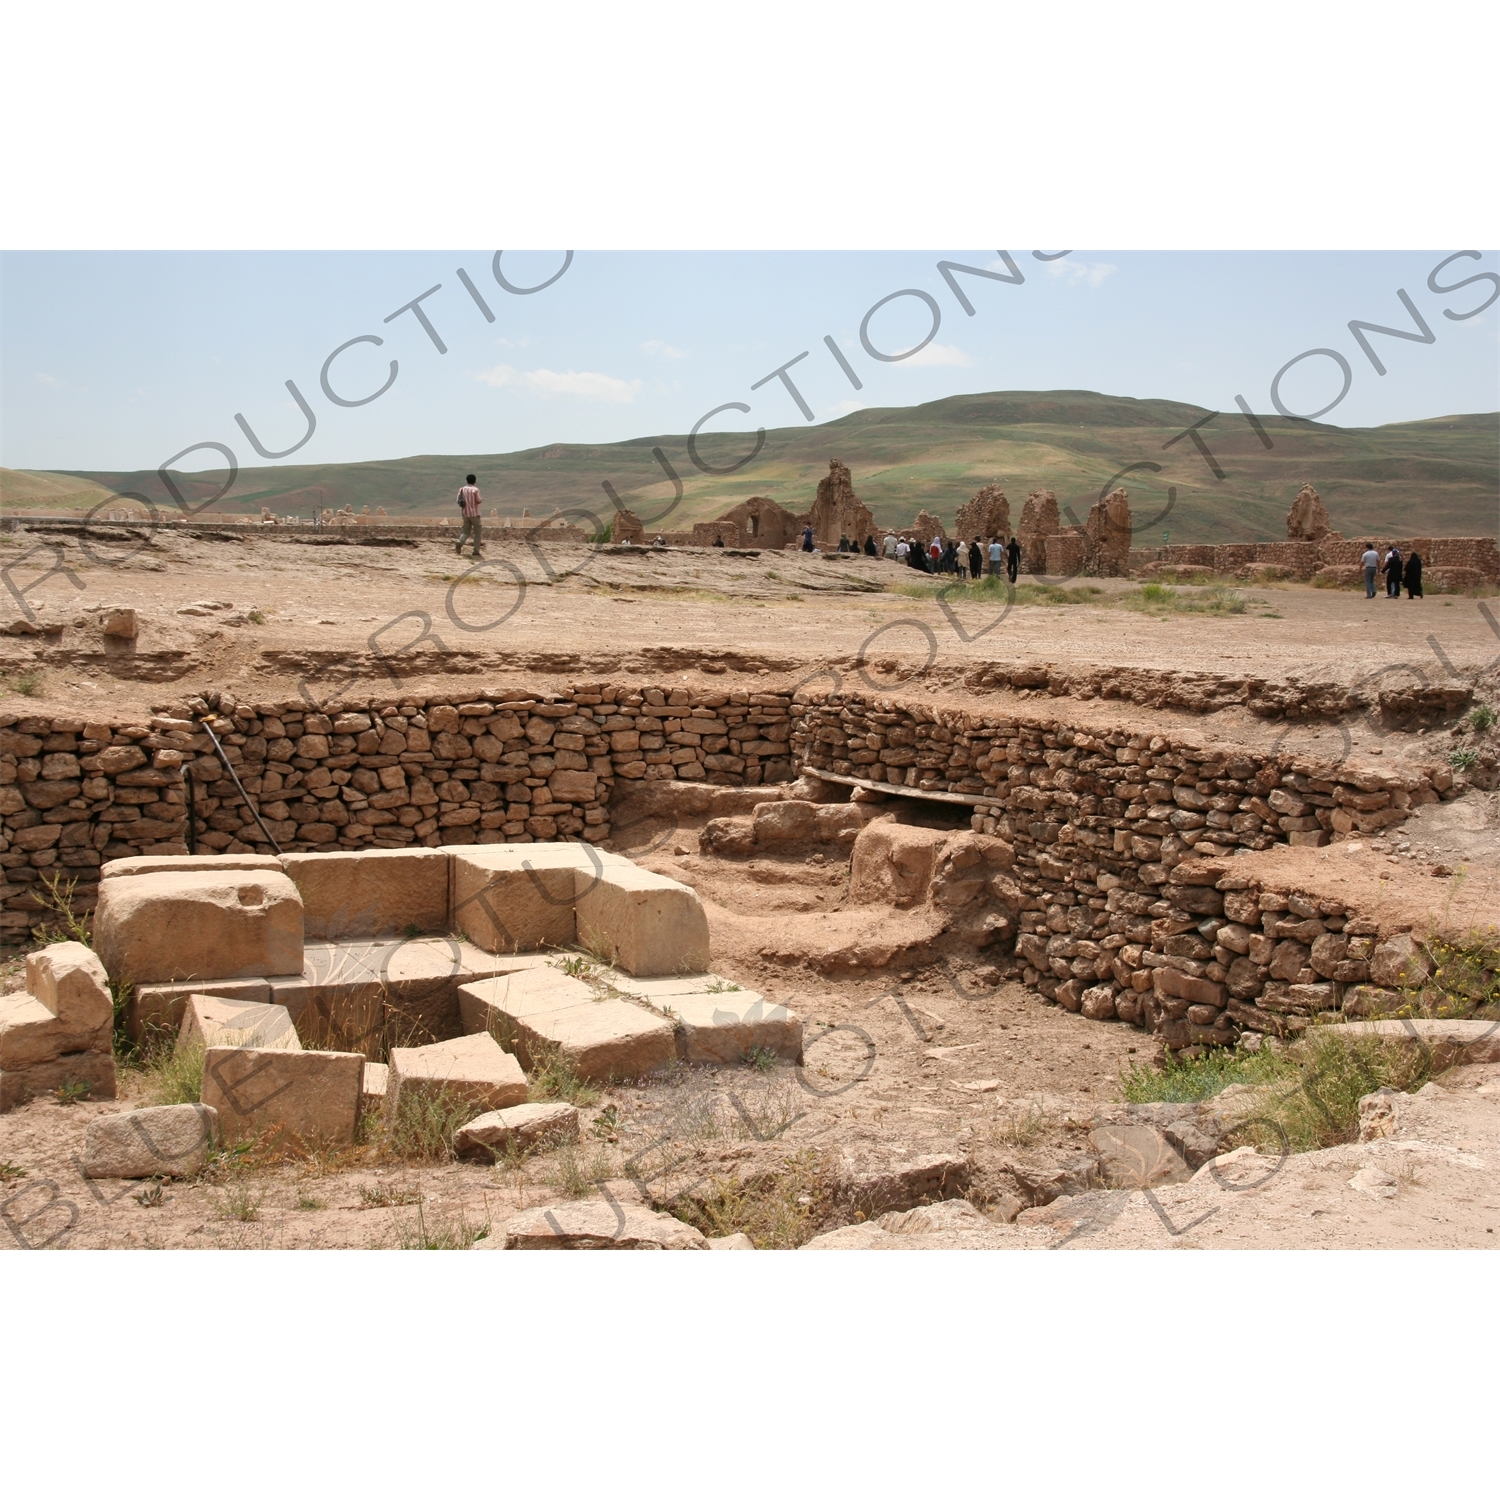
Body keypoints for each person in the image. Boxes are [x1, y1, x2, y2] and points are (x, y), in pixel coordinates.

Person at [455, 473, 483, 557]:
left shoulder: (462, 489)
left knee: (466, 531)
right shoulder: (475, 490)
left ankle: (460, 542)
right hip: (474, 513)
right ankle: (476, 550)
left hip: (465, 513)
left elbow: (458, 500)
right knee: (478, 532)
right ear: (474, 481)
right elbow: (478, 500)